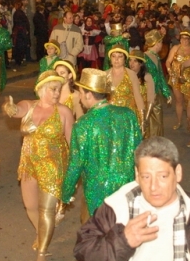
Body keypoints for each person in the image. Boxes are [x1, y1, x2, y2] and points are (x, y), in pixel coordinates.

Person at [3, 71, 74, 261]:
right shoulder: (29, 105)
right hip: (29, 165)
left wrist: (74, 171)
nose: (57, 93)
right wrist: (10, 107)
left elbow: (72, 143)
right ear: (41, 89)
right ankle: (41, 232)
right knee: (31, 206)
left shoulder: (63, 112)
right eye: (53, 89)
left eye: (59, 90)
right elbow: (17, 110)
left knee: (46, 210)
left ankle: (42, 252)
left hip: (53, 167)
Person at [61, 68, 142, 219]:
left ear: (89, 95)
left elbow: (76, 164)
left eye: (80, 92)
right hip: (127, 186)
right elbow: (140, 151)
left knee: (101, 230)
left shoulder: (83, 125)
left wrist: (65, 193)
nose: (79, 98)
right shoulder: (128, 114)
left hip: (97, 191)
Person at [165, 28, 190, 130]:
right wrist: (169, 70)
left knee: (189, 102)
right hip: (176, 78)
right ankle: (179, 121)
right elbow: (168, 61)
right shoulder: (175, 48)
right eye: (182, 38)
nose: (184, 40)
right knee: (179, 101)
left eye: (187, 39)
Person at [142, 29, 171, 138]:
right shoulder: (144, 57)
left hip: (156, 94)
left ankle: (154, 142)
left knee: (156, 122)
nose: (162, 45)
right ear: (157, 43)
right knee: (149, 121)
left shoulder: (156, 57)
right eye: (161, 42)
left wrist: (166, 92)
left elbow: (160, 76)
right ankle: (151, 144)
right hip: (148, 95)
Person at [105, 45, 146, 118]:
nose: (116, 59)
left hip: (127, 117)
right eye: (113, 56)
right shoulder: (104, 75)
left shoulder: (131, 74)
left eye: (120, 56)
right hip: (109, 116)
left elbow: (138, 97)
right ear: (110, 59)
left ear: (125, 59)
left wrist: (142, 118)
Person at [129, 50, 155, 137]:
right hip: (129, 113)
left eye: (135, 61)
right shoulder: (127, 76)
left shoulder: (147, 77)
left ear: (141, 64)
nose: (131, 63)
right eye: (130, 60)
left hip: (142, 113)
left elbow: (151, 99)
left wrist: (145, 119)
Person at [12, 0, 31, 67]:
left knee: (19, 46)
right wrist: (25, 29)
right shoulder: (19, 13)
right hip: (20, 32)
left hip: (19, 32)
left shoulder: (18, 13)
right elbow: (22, 22)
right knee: (20, 46)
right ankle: (19, 60)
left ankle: (19, 60)